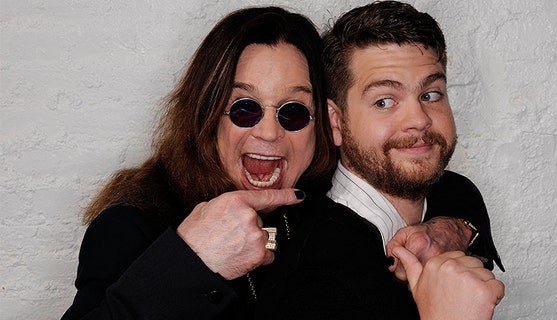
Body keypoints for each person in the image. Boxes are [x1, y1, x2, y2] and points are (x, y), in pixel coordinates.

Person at [61, 5, 484, 320]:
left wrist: (451, 228)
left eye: (293, 111)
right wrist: (191, 260)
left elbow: (425, 172)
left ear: (326, 124)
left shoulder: (314, 200)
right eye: (245, 108)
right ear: (206, 116)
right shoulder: (132, 225)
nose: (268, 133)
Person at [253, 1, 504, 319]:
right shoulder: (313, 286)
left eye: (430, 94)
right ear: (335, 123)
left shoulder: (450, 195)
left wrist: (457, 229)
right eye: (384, 101)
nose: (419, 120)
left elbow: (456, 191)